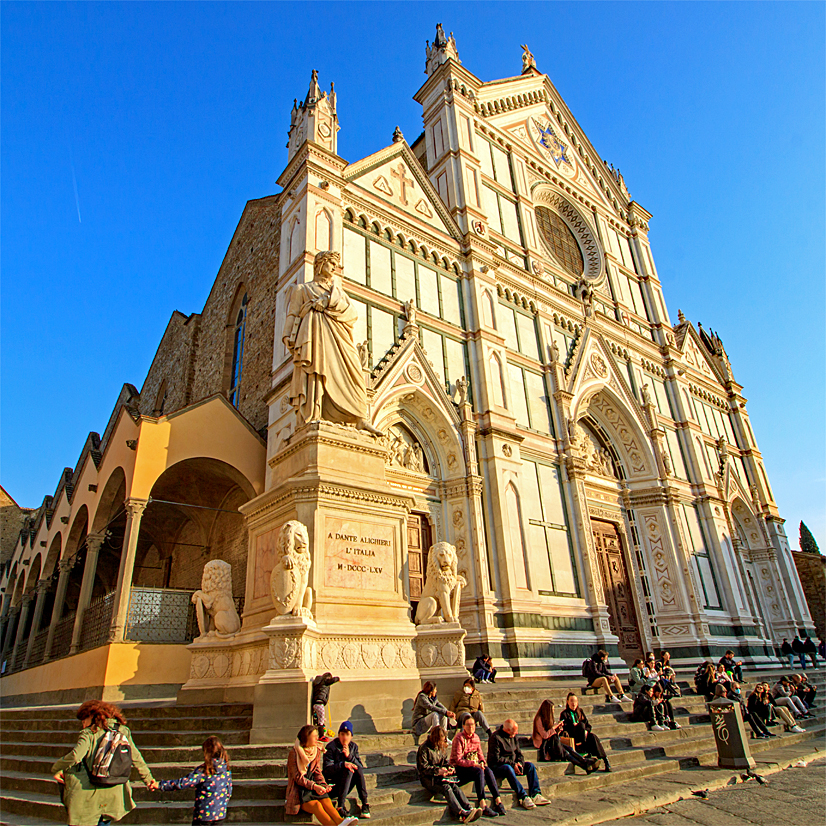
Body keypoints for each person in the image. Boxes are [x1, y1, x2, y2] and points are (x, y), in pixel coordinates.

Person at [51, 700, 157, 826]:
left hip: (88, 795)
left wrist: (56, 767)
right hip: (113, 790)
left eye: (83, 720)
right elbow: (136, 757)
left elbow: (75, 756)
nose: (83, 724)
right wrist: (149, 779)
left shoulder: (89, 734)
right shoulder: (122, 731)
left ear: (92, 716)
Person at [285, 724, 357, 826]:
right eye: (314, 736)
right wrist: (314, 786)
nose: (317, 738)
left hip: (314, 787)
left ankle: (341, 822)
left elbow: (317, 772)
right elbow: (297, 777)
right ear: (307, 737)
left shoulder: (316, 751)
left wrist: (324, 785)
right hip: (300, 791)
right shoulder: (294, 753)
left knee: (326, 800)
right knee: (316, 805)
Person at [156, 736, 232, 825]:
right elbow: (229, 792)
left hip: (203, 816)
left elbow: (183, 783)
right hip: (220, 815)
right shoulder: (226, 770)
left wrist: (161, 785)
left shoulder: (204, 771)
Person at [416, 725, 482, 823]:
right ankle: (461, 813)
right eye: (441, 741)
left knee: (454, 785)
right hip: (428, 779)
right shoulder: (424, 749)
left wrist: (449, 768)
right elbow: (423, 768)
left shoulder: (440, 747)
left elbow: (444, 762)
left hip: (440, 776)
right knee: (446, 787)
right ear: (435, 739)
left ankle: (468, 807)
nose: (442, 743)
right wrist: (437, 771)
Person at [487, 718, 550, 809]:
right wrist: (513, 764)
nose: (516, 733)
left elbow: (519, 753)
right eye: (515, 731)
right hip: (498, 766)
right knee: (508, 768)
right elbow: (496, 758)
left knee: (530, 766)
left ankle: (535, 794)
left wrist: (519, 763)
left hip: (513, 764)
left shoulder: (514, 737)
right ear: (508, 730)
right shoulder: (495, 737)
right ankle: (523, 796)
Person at [449, 715, 504, 817]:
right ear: (463, 726)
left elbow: (480, 754)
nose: (471, 727)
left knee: (487, 770)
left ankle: (498, 801)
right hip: (459, 768)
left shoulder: (476, 738)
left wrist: (482, 762)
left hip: (473, 766)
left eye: (473, 725)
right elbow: (458, 760)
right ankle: (483, 805)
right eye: (468, 725)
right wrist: (474, 764)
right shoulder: (459, 738)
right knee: (479, 772)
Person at [531, 700, 599, 772]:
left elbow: (552, 734)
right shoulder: (539, 719)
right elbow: (545, 735)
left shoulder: (548, 718)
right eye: (552, 710)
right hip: (543, 744)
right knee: (565, 752)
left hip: (552, 741)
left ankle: (584, 763)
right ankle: (585, 763)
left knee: (569, 748)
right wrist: (554, 727)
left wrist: (558, 730)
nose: (553, 712)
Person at [323, 722, 369, 819]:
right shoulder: (331, 747)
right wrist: (343, 764)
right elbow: (327, 770)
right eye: (342, 734)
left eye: (347, 735)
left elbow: (360, 767)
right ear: (339, 735)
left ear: (351, 736)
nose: (344, 738)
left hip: (346, 785)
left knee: (356, 769)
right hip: (332, 786)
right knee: (348, 769)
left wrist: (349, 757)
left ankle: (365, 804)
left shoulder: (353, 747)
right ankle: (340, 806)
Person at [560, 692, 611, 772]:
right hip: (574, 737)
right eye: (572, 701)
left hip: (584, 736)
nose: (574, 704)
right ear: (567, 702)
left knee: (593, 736)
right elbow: (564, 728)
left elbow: (588, 725)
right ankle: (583, 751)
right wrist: (574, 725)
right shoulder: (564, 714)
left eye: (575, 701)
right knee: (580, 725)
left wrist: (586, 731)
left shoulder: (580, 712)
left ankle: (605, 760)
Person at [312, 673, 341, 741]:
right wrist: (338, 678)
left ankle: (319, 732)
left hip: (316, 703)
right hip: (320, 703)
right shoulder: (325, 681)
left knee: (319, 718)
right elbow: (332, 681)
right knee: (321, 720)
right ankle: (321, 735)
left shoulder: (318, 683)